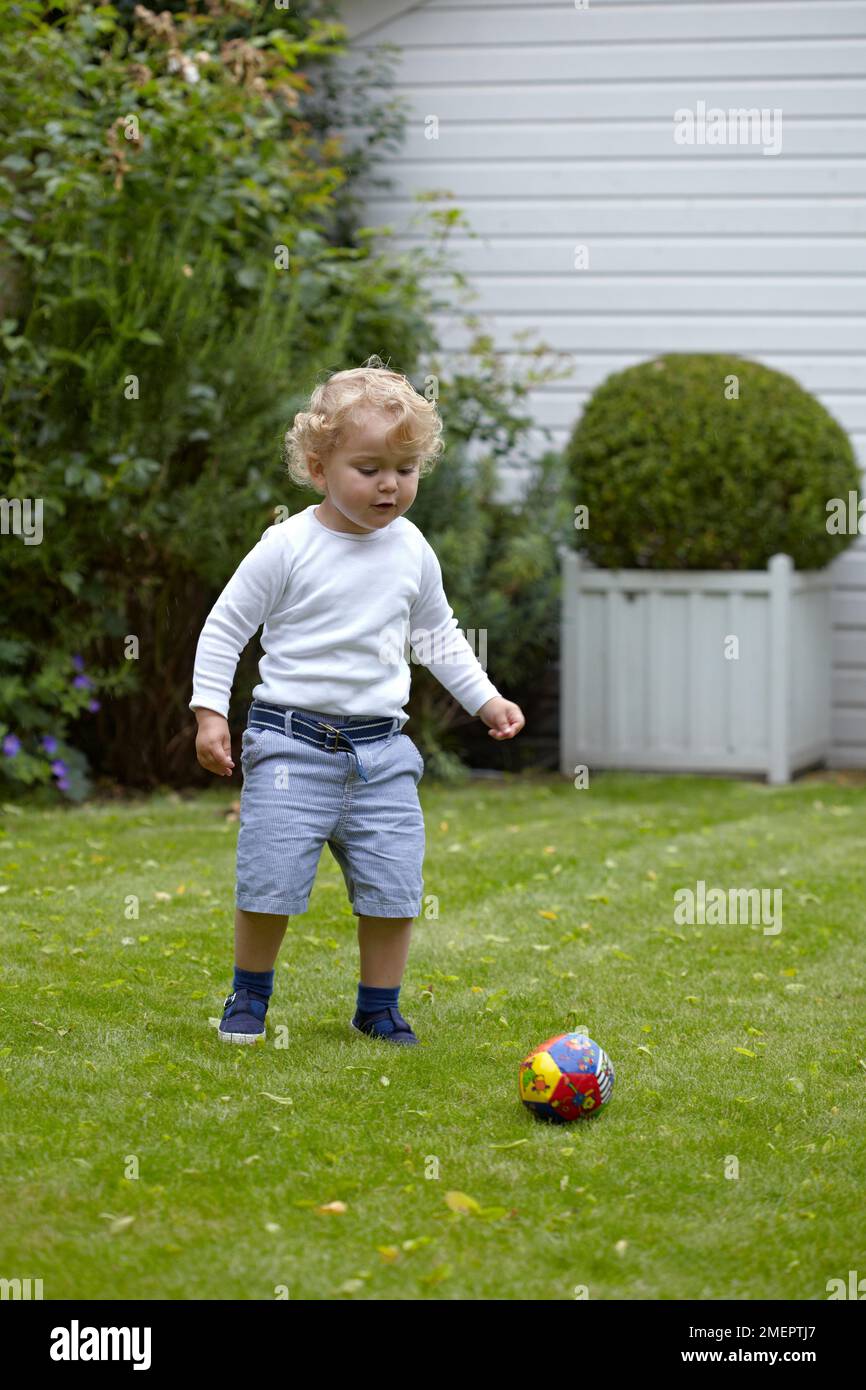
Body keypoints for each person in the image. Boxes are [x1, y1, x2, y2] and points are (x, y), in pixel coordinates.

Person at [189, 357, 525, 1046]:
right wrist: (209, 712)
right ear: (318, 468)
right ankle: (248, 998)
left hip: (382, 753)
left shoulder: (412, 551)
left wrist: (485, 701)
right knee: (269, 881)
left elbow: (437, 636)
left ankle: (379, 1006)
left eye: (404, 470)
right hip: (289, 744)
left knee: (394, 887)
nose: (389, 485)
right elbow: (226, 627)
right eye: (368, 467)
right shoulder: (287, 547)